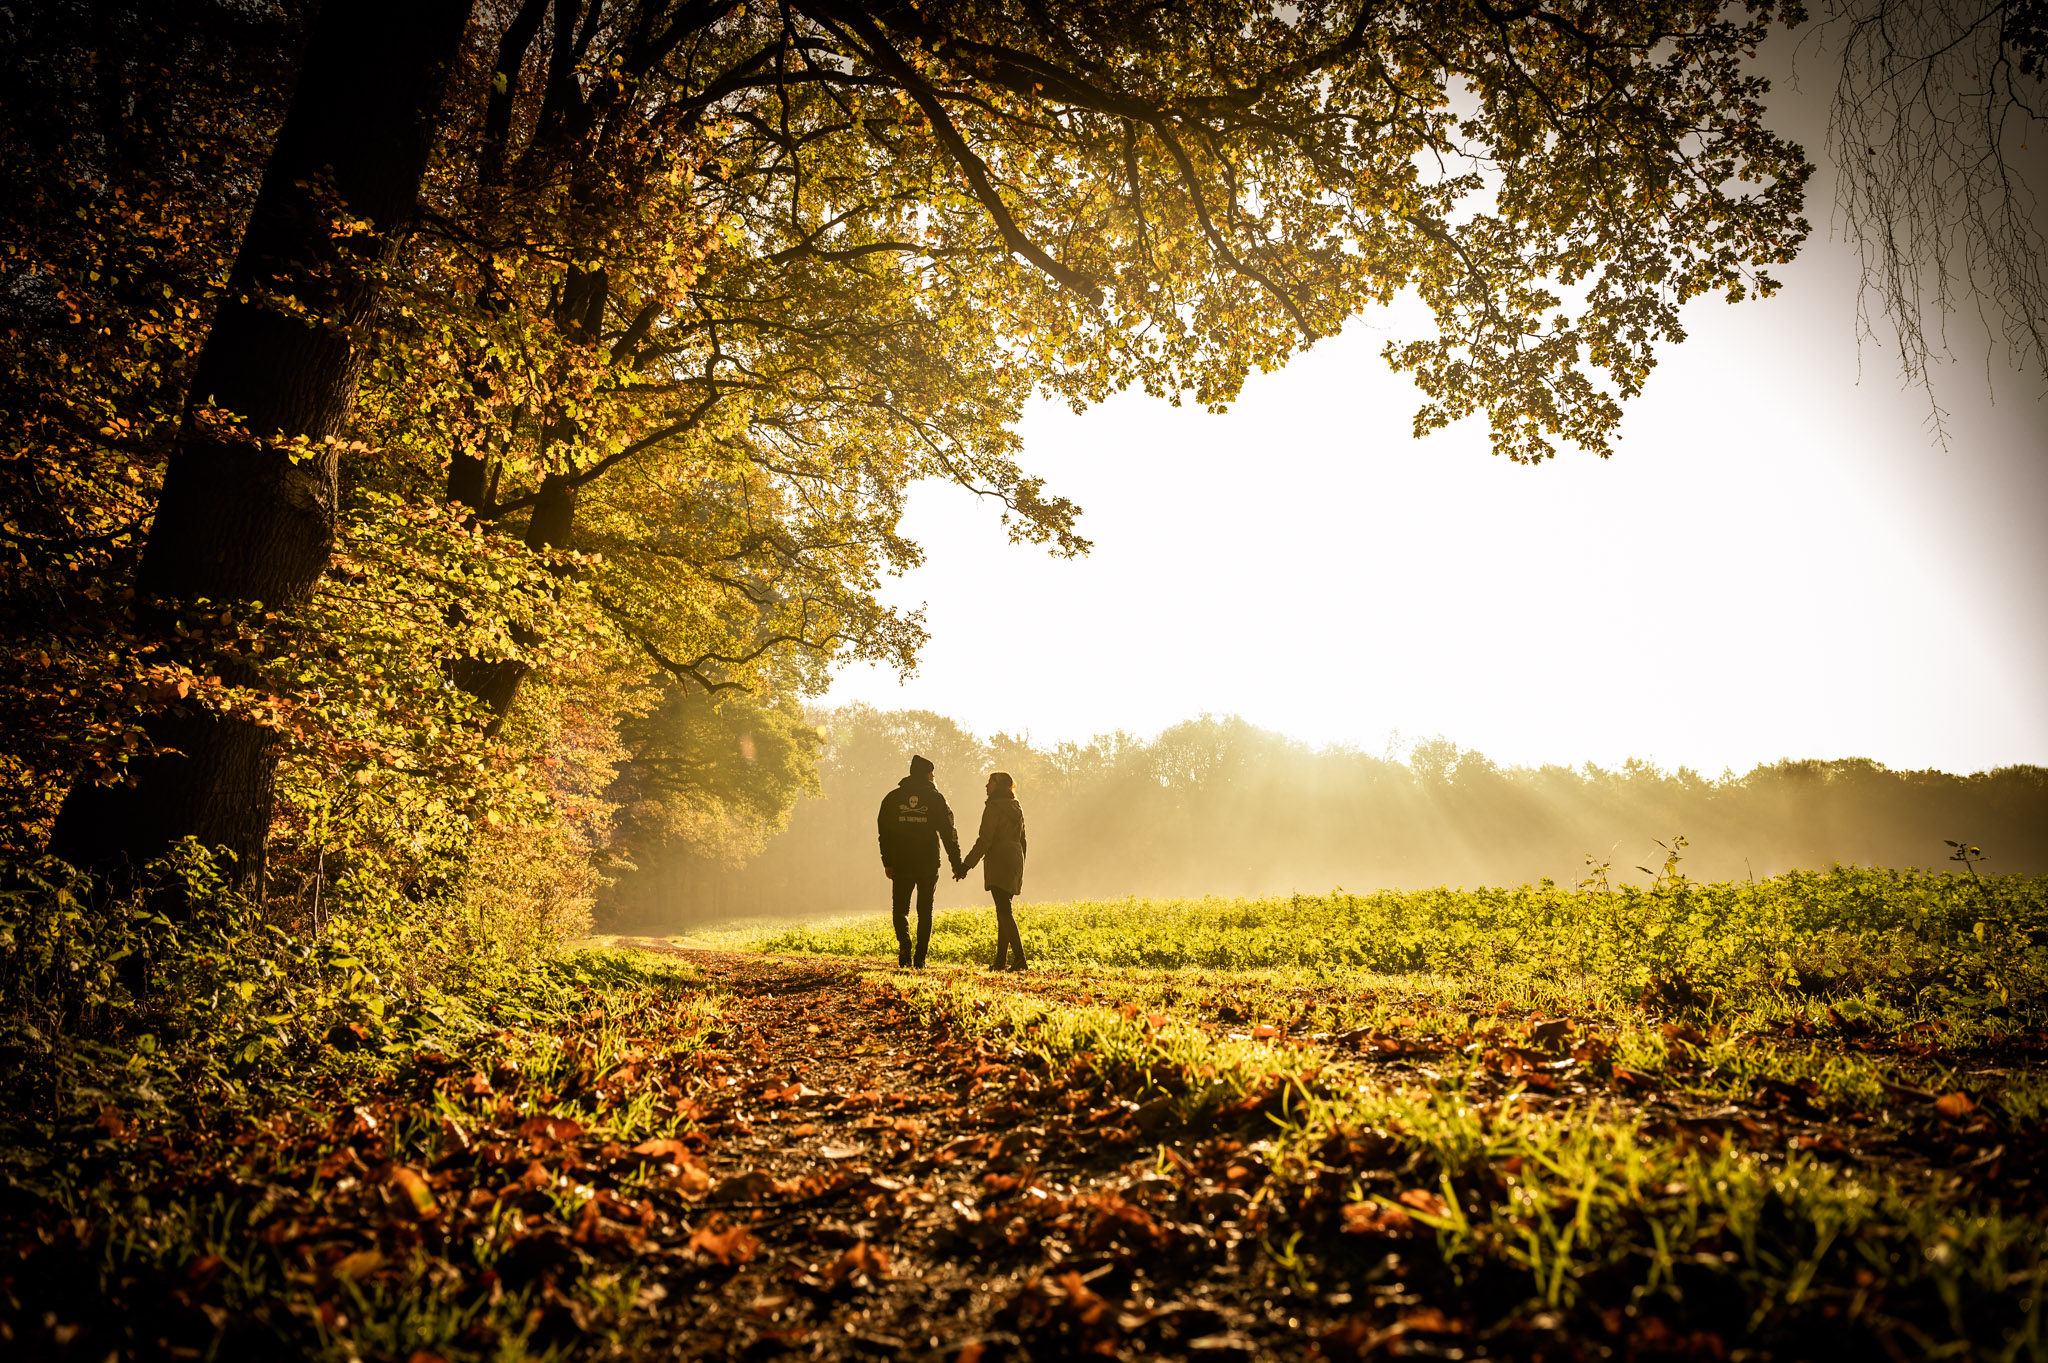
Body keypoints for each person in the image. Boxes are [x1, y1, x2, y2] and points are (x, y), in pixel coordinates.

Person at [876, 753, 963, 968]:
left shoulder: (892, 798)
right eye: (932, 773)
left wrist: (887, 861)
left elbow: (883, 832)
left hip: (901, 863)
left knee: (900, 909)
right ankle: (920, 959)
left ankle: (905, 944)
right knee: (925, 911)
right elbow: (949, 832)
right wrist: (956, 863)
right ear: (928, 775)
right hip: (928, 863)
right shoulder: (936, 799)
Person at [958, 770, 1027, 971]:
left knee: (1004, 910)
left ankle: (1020, 958)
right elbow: (1023, 839)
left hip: (999, 858)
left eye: (990, 783)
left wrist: (966, 865)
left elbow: (984, 841)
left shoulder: (993, 808)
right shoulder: (1017, 807)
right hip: (1015, 857)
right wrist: (1021, 862)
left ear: (1000, 786)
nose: (986, 786)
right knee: (1004, 909)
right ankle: (1000, 961)